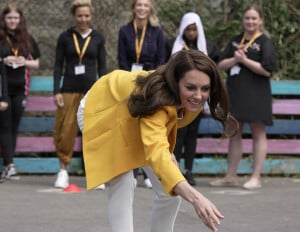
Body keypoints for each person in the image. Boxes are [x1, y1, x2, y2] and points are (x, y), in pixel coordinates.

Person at [77, 50, 237, 232]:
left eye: (205, 89)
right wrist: (196, 198)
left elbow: (161, 133)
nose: (198, 95)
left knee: (169, 181)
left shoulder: (186, 100)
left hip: (135, 114)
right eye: (191, 88)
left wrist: (167, 160)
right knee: (123, 179)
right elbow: (156, 139)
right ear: (175, 82)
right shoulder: (158, 98)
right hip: (101, 108)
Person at [210, 4, 276, 190]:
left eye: (254, 18)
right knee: (234, 133)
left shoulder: (265, 42)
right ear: (243, 20)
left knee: (258, 132)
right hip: (235, 92)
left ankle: (256, 177)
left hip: (257, 93)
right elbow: (220, 64)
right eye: (247, 18)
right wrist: (235, 59)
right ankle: (230, 176)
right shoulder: (235, 40)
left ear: (260, 20)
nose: (250, 21)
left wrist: (244, 60)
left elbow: (267, 70)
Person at [53, 0, 107, 189]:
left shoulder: (98, 38)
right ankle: (63, 170)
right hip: (68, 89)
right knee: (66, 130)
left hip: (91, 91)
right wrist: (56, 91)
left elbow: (103, 67)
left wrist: (105, 91)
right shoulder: (65, 37)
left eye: (86, 16)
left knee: (93, 131)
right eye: (79, 16)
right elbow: (58, 65)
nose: (83, 19)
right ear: (74, 17)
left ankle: (96, 173)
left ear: (91, 17)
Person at [165, 12, 220, 186]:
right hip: (179, 98)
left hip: (197, 100)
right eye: (188, 29)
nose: (191, 33)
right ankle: (175, 168)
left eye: (194, 29)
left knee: (191, 135)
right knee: (177, 133)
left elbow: (214, 71)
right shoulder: (172, 45)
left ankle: (188, 170)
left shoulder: (207, 47)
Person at [117, 0, 166, 189]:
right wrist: (128, 80)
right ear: (133, 8)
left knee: (147, 124)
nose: (142, 9)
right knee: (130, 124)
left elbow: (161, 59)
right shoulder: (124, 31)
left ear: (150, 9)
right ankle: (132, 170)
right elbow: (121, 57)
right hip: (129, 81)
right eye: (139, 5)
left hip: (150, 83)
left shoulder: (157, 31)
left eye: (146, 5)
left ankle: (147, 172)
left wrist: (152, 81)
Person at [0, 3, 40, 180]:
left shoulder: (27, 38)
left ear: (20, 19)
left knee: (14, 127)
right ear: (4, 19)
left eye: (15, 18)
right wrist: (4, 59)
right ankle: (9, 165)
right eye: (9, 18)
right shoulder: (1, 39)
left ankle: (9, 164)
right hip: (3, 88)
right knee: (4, 126)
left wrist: (24, 61)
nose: (12, 21)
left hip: (21, 87)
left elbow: (37, 63)